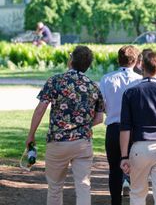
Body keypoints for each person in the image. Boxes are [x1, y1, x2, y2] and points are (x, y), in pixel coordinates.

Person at [25, 45, 104, 205]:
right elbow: (99, 118)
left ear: (71, 60)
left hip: (57, 141)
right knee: (83, 185)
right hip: (82, 143)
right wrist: (82, 127)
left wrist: (31, 135)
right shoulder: (93, 86)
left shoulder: (55, 81)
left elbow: (40, 109)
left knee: (55, 187)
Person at [120, 51, 156, 204]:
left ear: (141, 67)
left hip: (140, 146)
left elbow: (125, 128)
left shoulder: (130, 93)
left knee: (138, 194)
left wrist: (124, 156)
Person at [99, 45, 142, 205]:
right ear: (136, 61)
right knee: (137, 168)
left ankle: (115, 201)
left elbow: (101, 104)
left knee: (114, 169)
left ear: (118, 60)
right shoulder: (139, 80)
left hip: (114, 126)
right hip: (134, 129)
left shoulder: (106, 79)